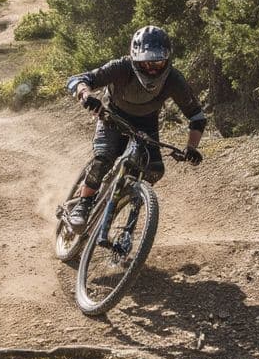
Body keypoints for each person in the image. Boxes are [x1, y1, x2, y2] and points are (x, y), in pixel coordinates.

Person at [65, 25, 206, 227]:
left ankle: (120, 200)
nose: (152, 68)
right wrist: (86, 95)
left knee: (155, 170)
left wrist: (192, 148)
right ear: (134, 58)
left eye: (158, 62)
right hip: (112, 117)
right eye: (146, 62)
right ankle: (84, 203)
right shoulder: (121, 67)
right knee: (103, 158)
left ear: (168, 59)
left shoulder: (174, 80)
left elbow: (197, 116)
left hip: (146, 124)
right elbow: (78, 80)